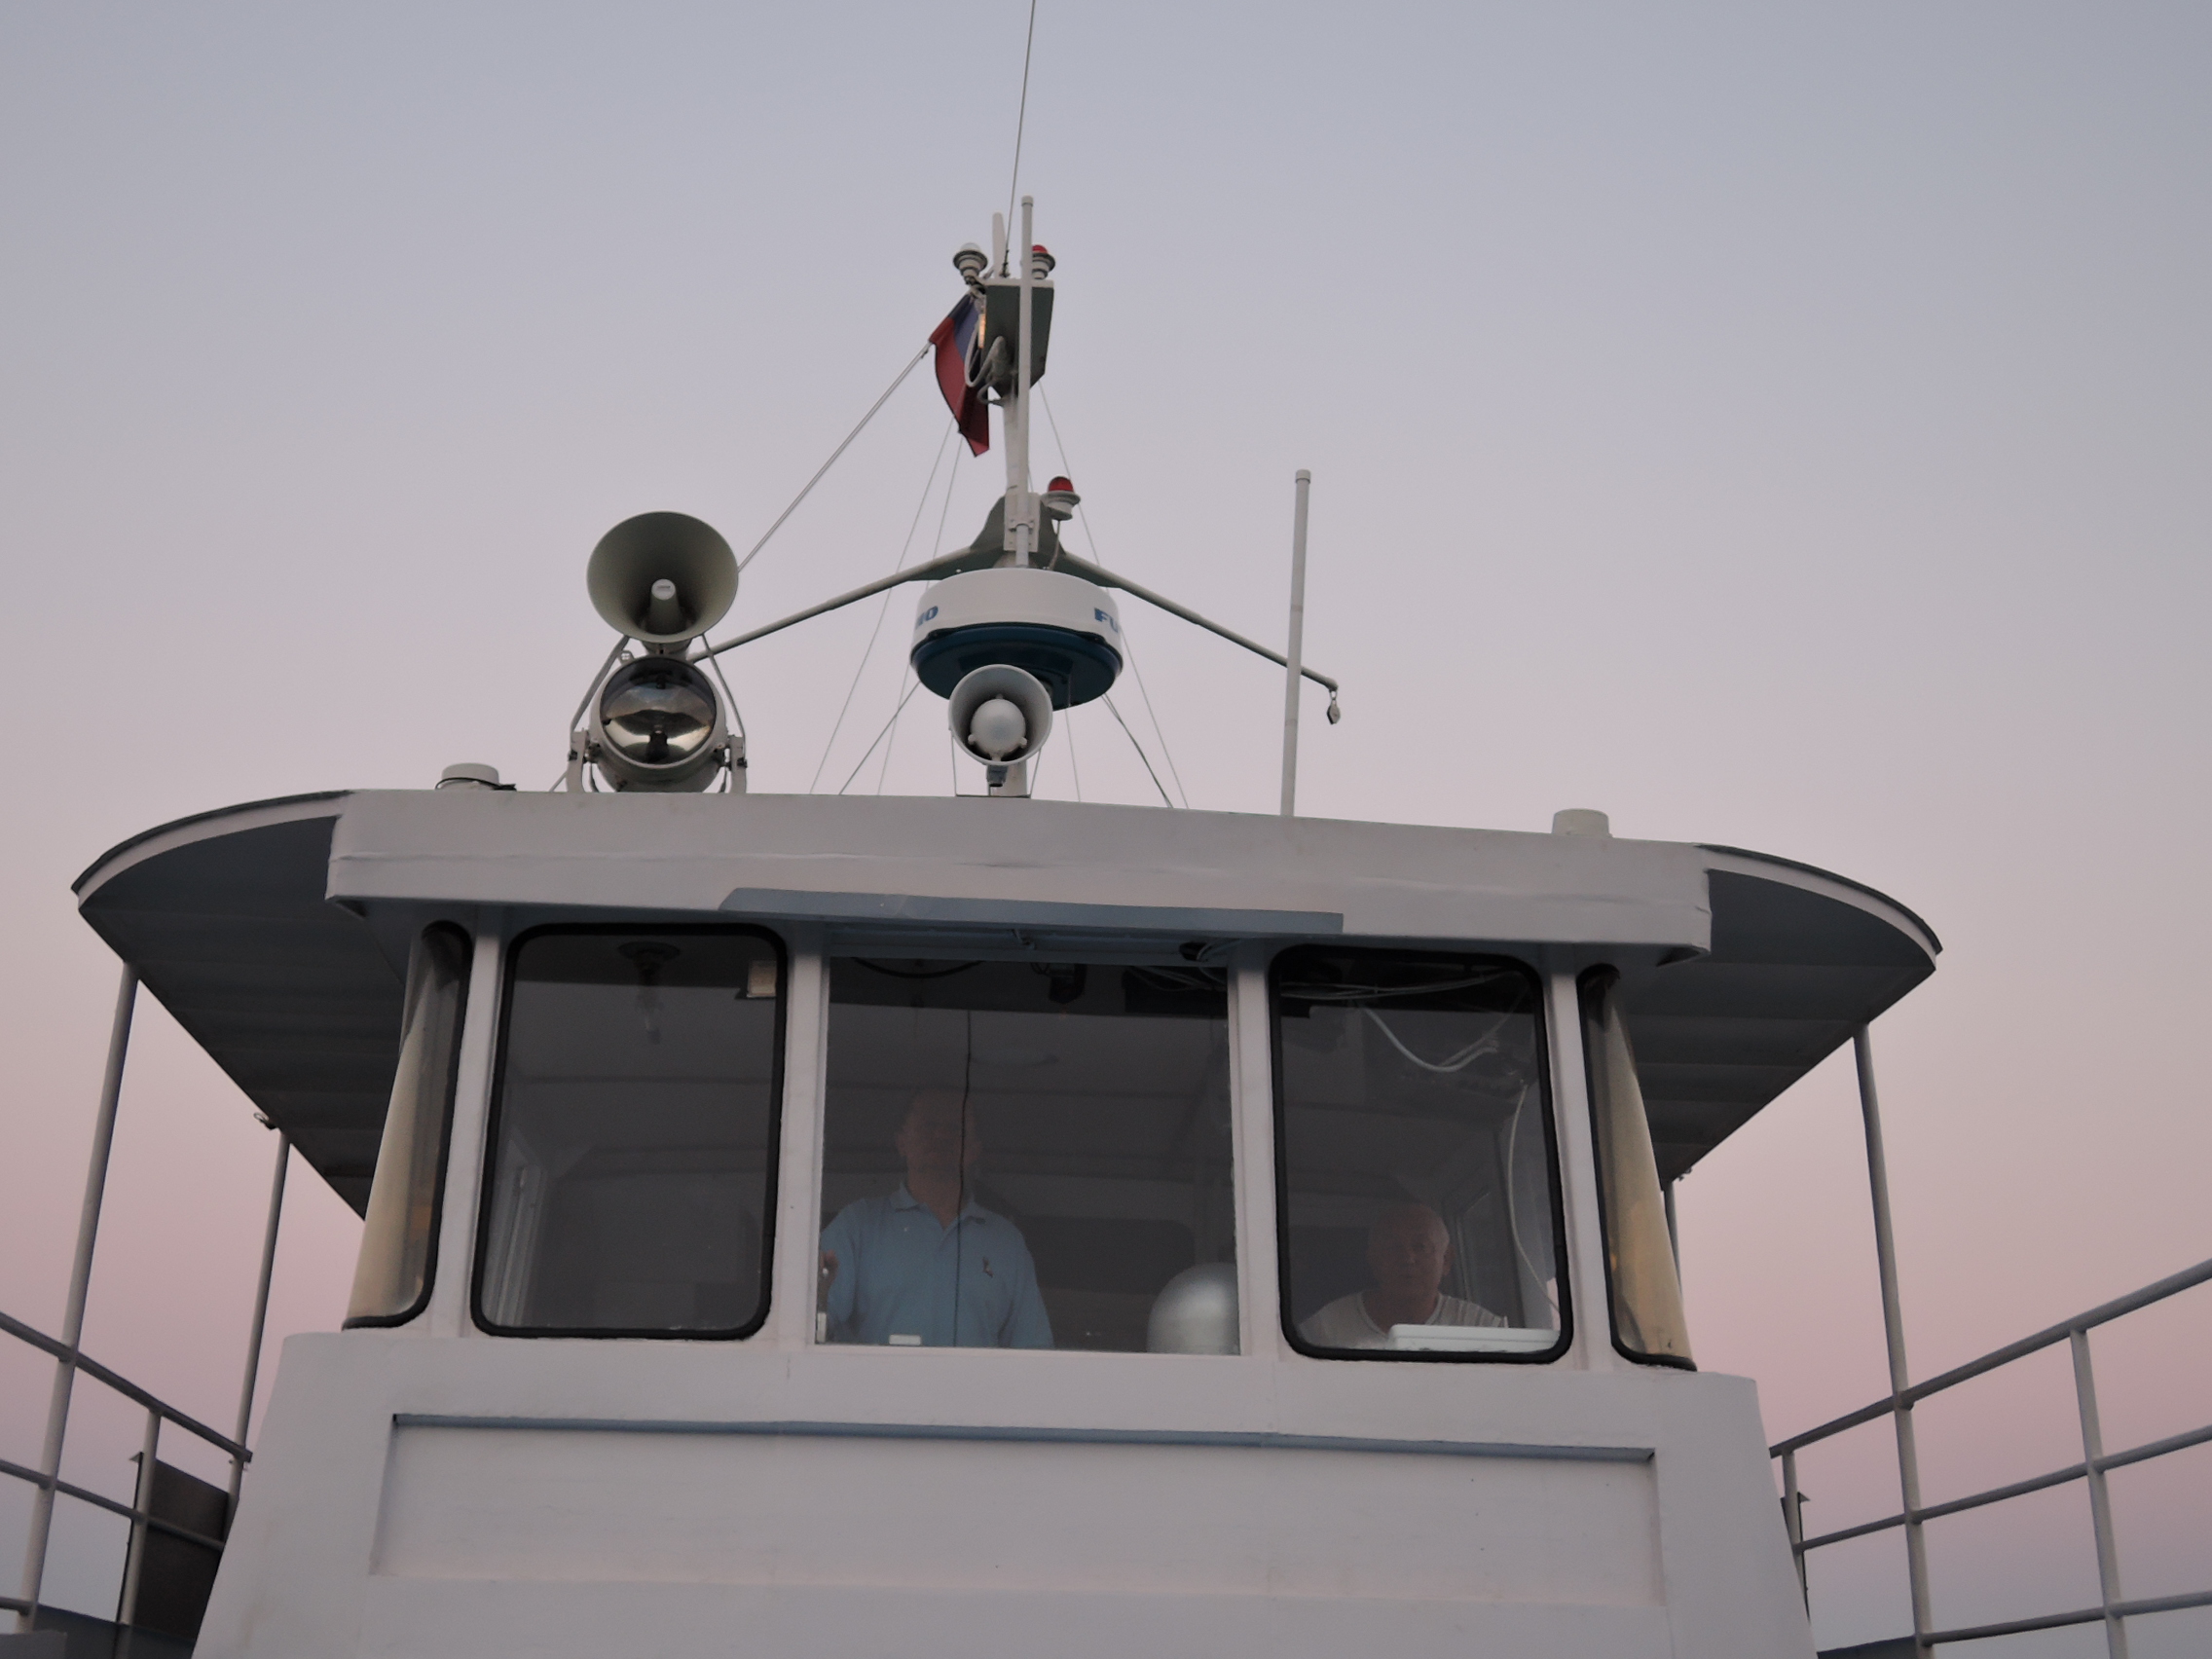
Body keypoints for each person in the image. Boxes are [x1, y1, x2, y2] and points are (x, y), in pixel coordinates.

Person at [819, 1088, 1052, 1348]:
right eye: (928, 1125)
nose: (941, 1135)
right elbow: (813, 1327)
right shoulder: (857, 1226)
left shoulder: (1006, 1242)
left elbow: (1034, 1351)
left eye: (955, 1128)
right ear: (901, 1142)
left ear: (975, 1149)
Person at [1298, 1199, 1504, 1349]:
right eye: (1393, 1248)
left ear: (1447, 1260)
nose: (1407, 1258)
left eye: (1421, 1247)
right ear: (1374, 1261)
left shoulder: (1480, 1328)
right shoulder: (1325, 1328)